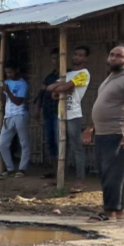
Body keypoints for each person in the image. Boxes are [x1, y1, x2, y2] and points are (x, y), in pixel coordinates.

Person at [86, 43, 124, 222]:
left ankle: (109, 212)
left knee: (112, 174)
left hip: (117, 132)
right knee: (107, 173)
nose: (113, 58)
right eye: (112, 54)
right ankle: (117, 212)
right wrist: (90, 127)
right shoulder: (111, 77)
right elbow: (101, 104)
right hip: (103, 133)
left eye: (119, 55)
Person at [46, 45, 91, 192]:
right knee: (62, 147)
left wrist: (61, 87)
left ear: (85, 58)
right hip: (62, 114)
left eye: (80, 55)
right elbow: (51, 91)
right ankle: (60, 177)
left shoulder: (84, 73)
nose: (76, 57)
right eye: (75, 54)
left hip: (73, 114)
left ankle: (80, 180)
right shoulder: (68, 74)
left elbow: (62, 89)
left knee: (76, 148)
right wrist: (63, 87)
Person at [0, 62, 30, 178]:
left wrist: (8, 91)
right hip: (8, 116)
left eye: (10, 72)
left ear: (16, 70)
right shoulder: (7, 82)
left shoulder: (23, 84)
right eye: (6, 72)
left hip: (20, 114)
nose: (8, 74)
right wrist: (1, 93)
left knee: (24, 143)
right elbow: (4, 102)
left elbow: (18, 101)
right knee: (2, 144)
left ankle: (22, 169)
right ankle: (10, 168)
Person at [38, 49, 62, 177]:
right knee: (50, 141)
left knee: (60, 141)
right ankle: (54, 170)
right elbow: (41, 94)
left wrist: (50, 88)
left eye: (58, 57)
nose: (55, 61)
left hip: (59, 113)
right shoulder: (50, 76)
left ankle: (61, 171)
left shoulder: (66, 74)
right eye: (53, 58)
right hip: (47, 112)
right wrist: (37, 110)